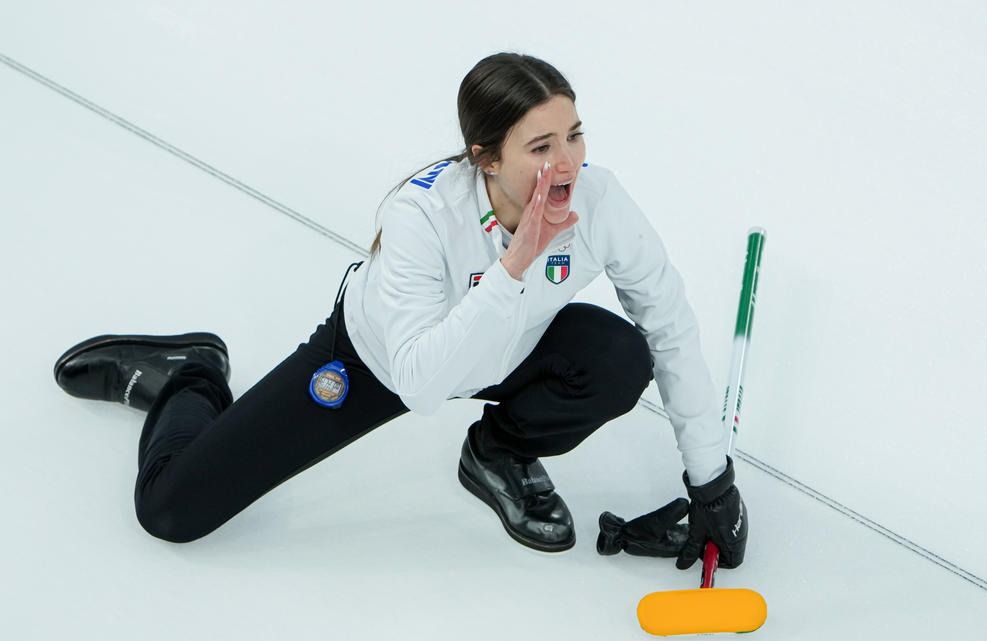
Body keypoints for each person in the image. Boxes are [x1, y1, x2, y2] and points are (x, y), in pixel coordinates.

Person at [52, 52, 747, 571]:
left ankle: (497, 452)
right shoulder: (421, 216)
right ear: (486, 158)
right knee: (172, 511)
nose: (568, 163)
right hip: (382, 361)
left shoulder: (600, 199)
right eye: (541, 147)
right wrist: (514, 265)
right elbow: (419, 383)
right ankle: (190, 375)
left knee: (621, 356)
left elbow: (670, 324)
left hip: (511, 347)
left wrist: (711, 481)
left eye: (575, 134)